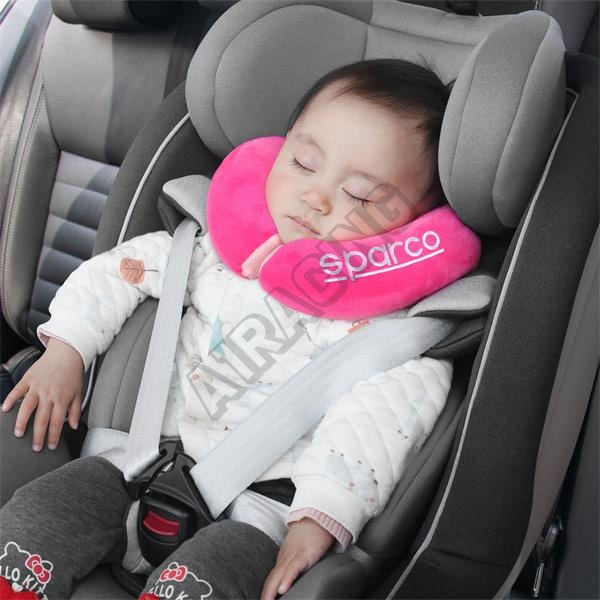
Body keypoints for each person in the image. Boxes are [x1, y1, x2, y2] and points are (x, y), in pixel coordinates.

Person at [0, 58, 455, 600]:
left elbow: (377, 422)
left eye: (359, 195)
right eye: (303, 163)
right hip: (131, 464)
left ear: (414, 226)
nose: (316, 197)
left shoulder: (384, 331)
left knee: (205, 581)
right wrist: (66, 350)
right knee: (35, 519)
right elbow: (119, 274)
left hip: (256, 511)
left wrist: (322, 514)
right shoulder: (211, 250)